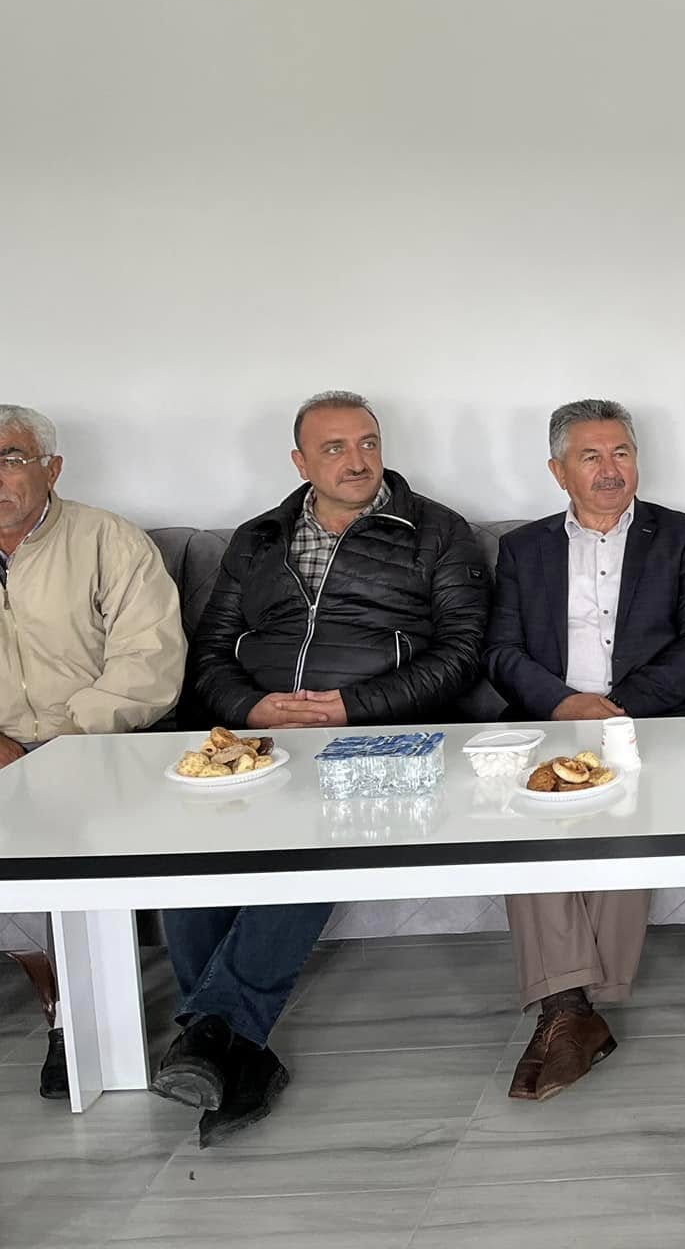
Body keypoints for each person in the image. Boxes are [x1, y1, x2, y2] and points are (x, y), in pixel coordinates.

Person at [175, 391, 488, 1142]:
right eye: (335, 448)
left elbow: (461, 654)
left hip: (382, 735)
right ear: (300, 462)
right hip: (261, 736)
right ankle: (233, 1051)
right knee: (186, 852)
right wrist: (252, 709)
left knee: (319, 836)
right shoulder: (259, 539)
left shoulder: (436, 532)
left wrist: (352, 707)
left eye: (368, 443)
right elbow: (211, 653)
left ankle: (211, 1035)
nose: (357, 460)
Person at [485, 398, 685, 1099]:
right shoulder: (523, 549)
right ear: (559, 471)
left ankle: (568, 1011)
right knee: (529, 820)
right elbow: (501, 651)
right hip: (550, 718)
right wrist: (565, 705)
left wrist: (620, 711)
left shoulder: (681, 536)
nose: (610, 469)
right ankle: (571, 1010)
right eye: (591, 456)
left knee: (628, 803)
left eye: (621, 453)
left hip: (650, 717)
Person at [0, 404, 186, 1099]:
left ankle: (73, 1021)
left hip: (97, 745)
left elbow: (149, 665)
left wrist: (63, 745)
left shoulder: (108, 540)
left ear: (51, 469)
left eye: (10, 458)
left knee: (64, 826)